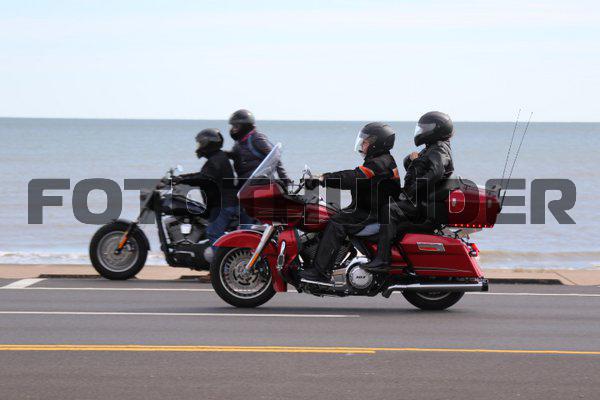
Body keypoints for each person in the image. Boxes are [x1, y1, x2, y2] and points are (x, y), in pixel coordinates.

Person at [299, 122, 399, 283]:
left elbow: (352, 177)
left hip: (372, 215)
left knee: (336, 223)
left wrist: (323, 179)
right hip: (369, 211)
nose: (362, 145)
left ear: (376, 143)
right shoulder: (381, 160)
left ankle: (321, 272)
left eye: (365, 142)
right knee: (332, 214)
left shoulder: (379, 163)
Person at [362, 111, 455, 271]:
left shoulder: (438, 149)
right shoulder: (433, 148)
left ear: (437, 129)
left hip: (422, 203)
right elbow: (417, 169)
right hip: (422, 199)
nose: (422, 131)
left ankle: (383, 259)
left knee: (389, 210)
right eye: (421, 128)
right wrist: (412, 160)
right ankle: (381, 245)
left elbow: (434, 173)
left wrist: (409, 193)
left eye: (425, 128)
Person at [174, 128, 238, 247]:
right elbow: (202, 175)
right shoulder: (217, 157)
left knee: (213, 234)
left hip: (223, 205)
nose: (199, 147)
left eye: (200, 143)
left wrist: (181, 179)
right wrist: (182, 177)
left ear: (207, 144)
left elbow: (203, 178)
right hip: (224, 203)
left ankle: (219, 258)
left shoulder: (216, 160)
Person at [227, 109, 289, 224]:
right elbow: (236, 156)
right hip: (245, 186)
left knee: (255, 219)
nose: (233, 129)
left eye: (236, 126)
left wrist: (284, 177)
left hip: (259, 184)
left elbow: (274, 156)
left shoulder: (256, 138)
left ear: (245, 125)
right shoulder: (239, 142)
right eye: (232, 126)